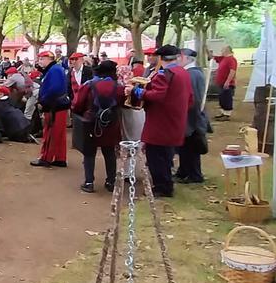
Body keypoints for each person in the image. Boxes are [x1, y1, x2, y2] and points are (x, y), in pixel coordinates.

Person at [125, 45, 193, 198]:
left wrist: (135, 91)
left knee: (156, 156)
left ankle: (162, 187)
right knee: (166, 155)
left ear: (161, 59)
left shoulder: (164, 74)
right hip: (175, 119)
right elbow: (190, 98)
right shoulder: (183, 72)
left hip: (160, 122)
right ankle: (166, 183)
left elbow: (157, 95)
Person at [72, 61, 122, 193]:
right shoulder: (118, 86)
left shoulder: (88, 85)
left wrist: (81, 113)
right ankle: (111, 182)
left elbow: (77, 104)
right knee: (109, 152)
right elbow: (123, 102)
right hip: (111, 122)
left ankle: (89, 182)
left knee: (89, 153)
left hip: (91, 122)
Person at [175, 49, 209, 184]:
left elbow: (194, 99)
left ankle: (194, 174)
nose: (178, 60)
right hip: (189, 116)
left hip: (192, 117)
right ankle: (184, 171)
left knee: (192, 147)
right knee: (184, 146)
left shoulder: (192, 74)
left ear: (188, 59)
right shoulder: (190, 73)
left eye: (180, 57)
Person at [31, 53, 69, 168]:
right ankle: (60, 158)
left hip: (53, 106)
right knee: (59, 134)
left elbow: (54, 89)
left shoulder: (54, 70)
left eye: (42, 59)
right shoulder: (56, 69)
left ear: (49, 59)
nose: (39, 61)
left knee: (50, 133)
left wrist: (43, 100)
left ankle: (45, 158)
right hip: (58, 105)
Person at [215, 45, 238, 121]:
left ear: (227, 51)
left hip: (227, 84)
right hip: (221, 83)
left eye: (222, 50)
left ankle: (227, 114)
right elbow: (213, 57)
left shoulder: (231, 59)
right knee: (222, 98)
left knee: (227, 98)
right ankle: (223, 113)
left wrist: (228, 81)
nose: (221, 51)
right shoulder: (224, 58)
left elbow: (232, 71)